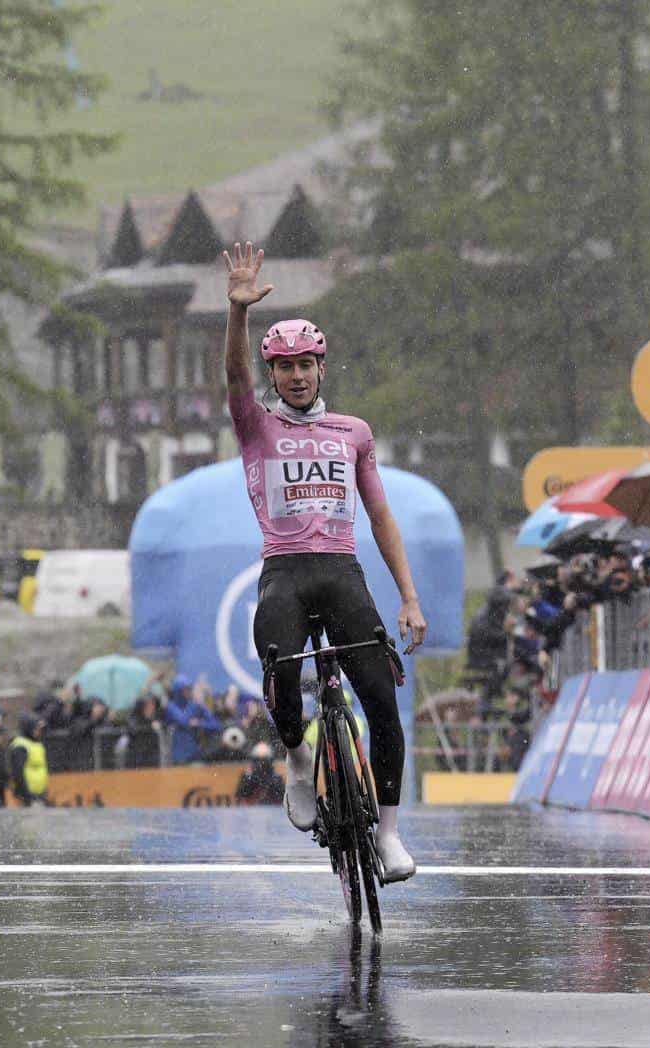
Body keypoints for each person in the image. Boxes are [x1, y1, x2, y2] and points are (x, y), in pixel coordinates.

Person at [221, 241, 426, 883]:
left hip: (342, 572)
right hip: (285, 570)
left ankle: (388, 835)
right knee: (280, 667)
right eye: (284, 368)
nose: (297, 376)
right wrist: (237, 313)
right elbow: (232, 377)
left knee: (382, 706)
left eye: (306, 365)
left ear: (321, 368)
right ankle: (299, 761)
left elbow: (382, 517)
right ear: (273, 374)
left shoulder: (353, 432)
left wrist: (409, 596)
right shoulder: (255, 425)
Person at [10, 714, 49, 806]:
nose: (39, 732)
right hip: (27, 796)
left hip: (39, 794)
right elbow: (18, 772)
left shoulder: (37, 743)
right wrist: (26, 795)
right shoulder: (20, 745)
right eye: (37, 729)